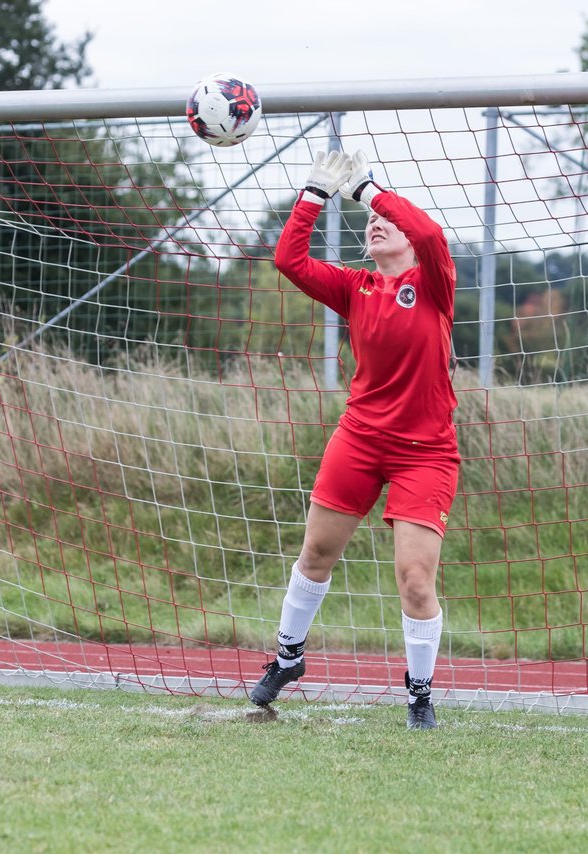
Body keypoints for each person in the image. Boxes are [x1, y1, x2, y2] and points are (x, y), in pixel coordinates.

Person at [249, 150, 460, 730]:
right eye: (370, 224)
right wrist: (315, 195)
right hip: (360, 440)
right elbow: (288, 258)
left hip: (426, 452)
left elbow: (430, 230)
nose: (375, 225)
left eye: (387, 223)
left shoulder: (435, 280)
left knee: (416, 580)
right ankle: (288, 658)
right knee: (316, 554)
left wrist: (367, 190)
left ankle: (420, 695)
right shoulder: (353, 287)